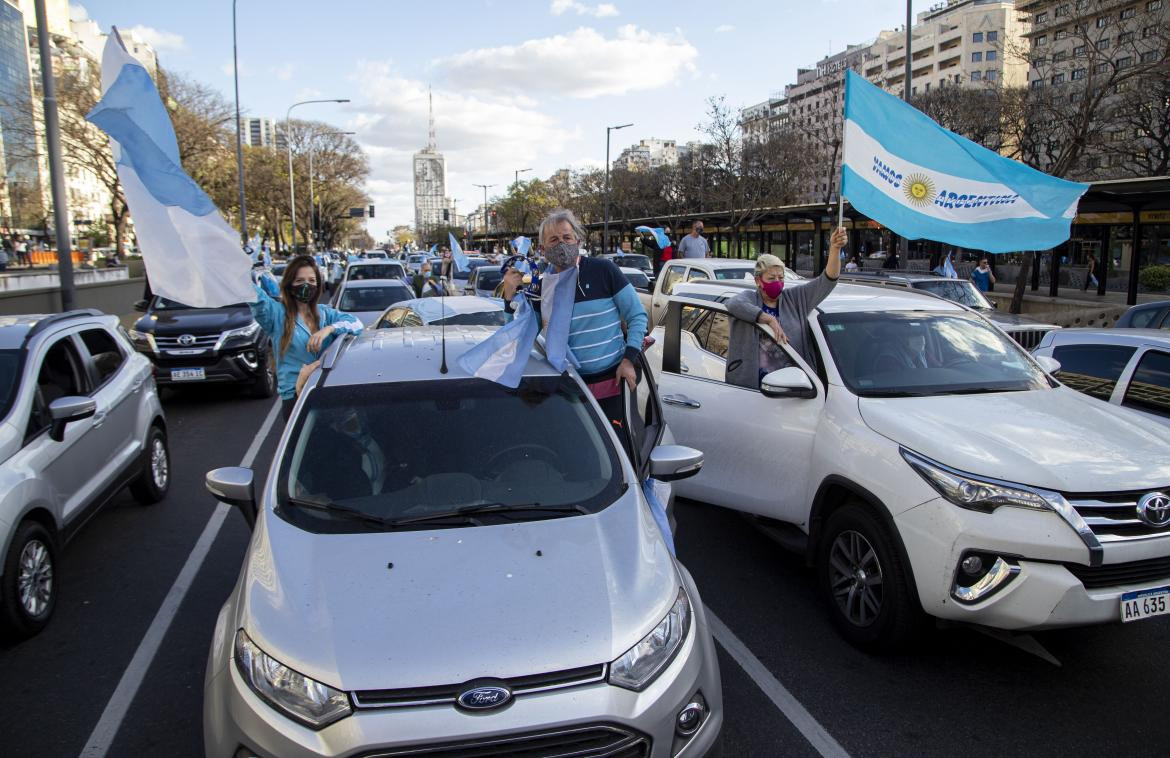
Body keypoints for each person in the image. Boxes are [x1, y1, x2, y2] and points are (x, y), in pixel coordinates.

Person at [510, 209, 647, 430]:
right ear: (543, 249)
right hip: (569, 390)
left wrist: (629, 359)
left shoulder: (604, 270)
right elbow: (519, 337)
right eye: (553, 240)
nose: (562, 244)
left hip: (612, 383)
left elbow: (637, 315)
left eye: (567, 237)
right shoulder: (541, 287)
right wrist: (509, 296)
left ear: (578, 240)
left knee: (618, 449)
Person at [725, 227, 846, 389]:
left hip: (794, 387)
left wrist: (835, 249)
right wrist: (767, 319)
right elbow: (733, 304)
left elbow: (827, 281)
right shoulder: (749, 298)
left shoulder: (795, 299)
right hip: (752, 388)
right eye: (771, 278)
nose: (777, 282)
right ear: (758, 281)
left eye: (780, 277)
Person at [250, 254, 363, 420]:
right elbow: (254, 296)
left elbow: (356, 324)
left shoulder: (325, 314)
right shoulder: (276, 315)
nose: (306, 285)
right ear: (289, 285)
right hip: (296, 399)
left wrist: (329, 329)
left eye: (311, 281)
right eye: (299, 281)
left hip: (327, 393)